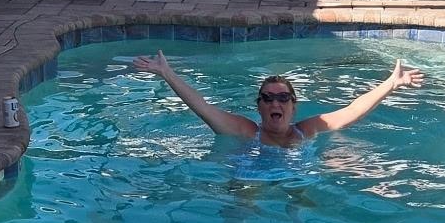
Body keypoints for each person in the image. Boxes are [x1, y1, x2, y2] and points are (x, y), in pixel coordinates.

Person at [131, 51, 423, 146]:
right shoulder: (246, 131)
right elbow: (202, 107)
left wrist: (391, 84)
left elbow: (352, 110)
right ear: (258, 106)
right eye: (268, 98)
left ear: (294, 106)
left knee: (301, 202)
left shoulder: (307, 130)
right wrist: (167, 74)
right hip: (251, 174)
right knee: (244, 200)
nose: (275, 103)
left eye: (283, 98)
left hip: (295, 175)